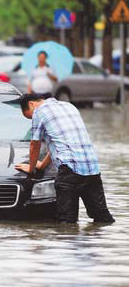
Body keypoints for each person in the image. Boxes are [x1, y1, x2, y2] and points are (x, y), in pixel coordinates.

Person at [15, 94, 115, 223]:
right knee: (102, 218)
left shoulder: (39, 112)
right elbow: (60, 144)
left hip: (69, 172)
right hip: (92, 169)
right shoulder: (69, 106)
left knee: (67, 223)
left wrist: (32, 168)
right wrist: (42, 165)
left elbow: (35, 144)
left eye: (29, 116)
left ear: (31, 104)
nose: (32, 119)